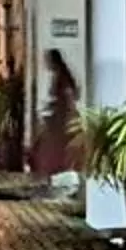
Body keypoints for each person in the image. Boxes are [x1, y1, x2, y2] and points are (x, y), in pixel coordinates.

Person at [30, 48, 80, 183]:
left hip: (63, 119)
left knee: (51, 147)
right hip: (59, 117)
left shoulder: (62, 77)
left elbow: (68, 96)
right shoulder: (59, 75)